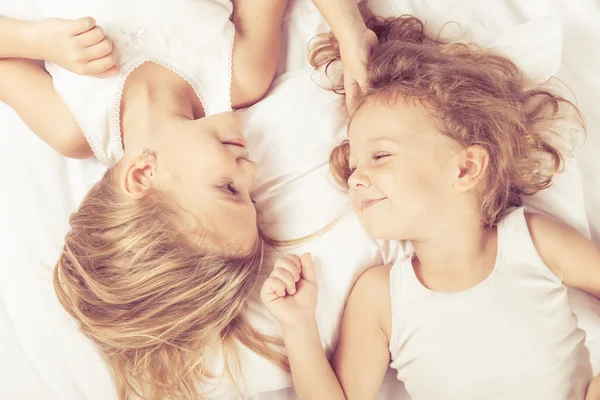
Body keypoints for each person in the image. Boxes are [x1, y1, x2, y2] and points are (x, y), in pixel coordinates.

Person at [261, 9, 600, 400]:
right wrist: (299, 327)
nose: (355, 177)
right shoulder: (379, 297)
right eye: (355, 164)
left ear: (465, 167)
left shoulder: (534, 242)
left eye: (381, 156)